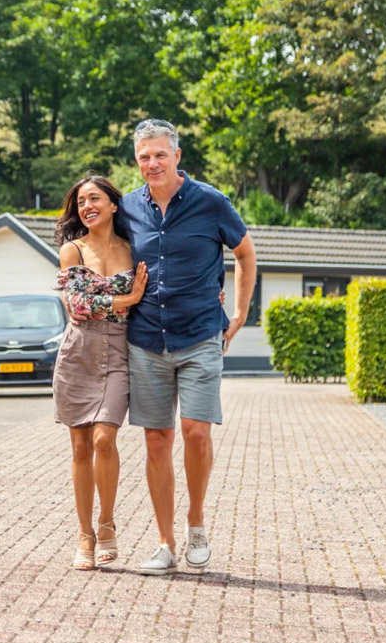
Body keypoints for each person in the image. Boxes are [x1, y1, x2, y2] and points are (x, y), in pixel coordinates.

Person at [119, 119, 257, 576]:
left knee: (197, 431)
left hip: (200, 335)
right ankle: (165, 541)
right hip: (145, 338)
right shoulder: (127, 209)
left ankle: (197, 523)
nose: (152, 163)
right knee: (157, 440)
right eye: (144, 157)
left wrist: (238, 315)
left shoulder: (211, 202)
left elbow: (246, 253)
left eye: (160, 154)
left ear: (178, 156)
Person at [53, 176, 148, 570]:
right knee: (79, 447)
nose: (86, 206)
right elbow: (78, 306)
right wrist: (128, 298)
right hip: (78, 353)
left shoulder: (134, 249)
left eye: (94, 198)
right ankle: (84, 535)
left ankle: (107, 524)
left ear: (113, 204)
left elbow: (160, 290)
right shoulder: (71, 250)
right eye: (79, 202)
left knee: (105, 439)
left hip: (119, 352)